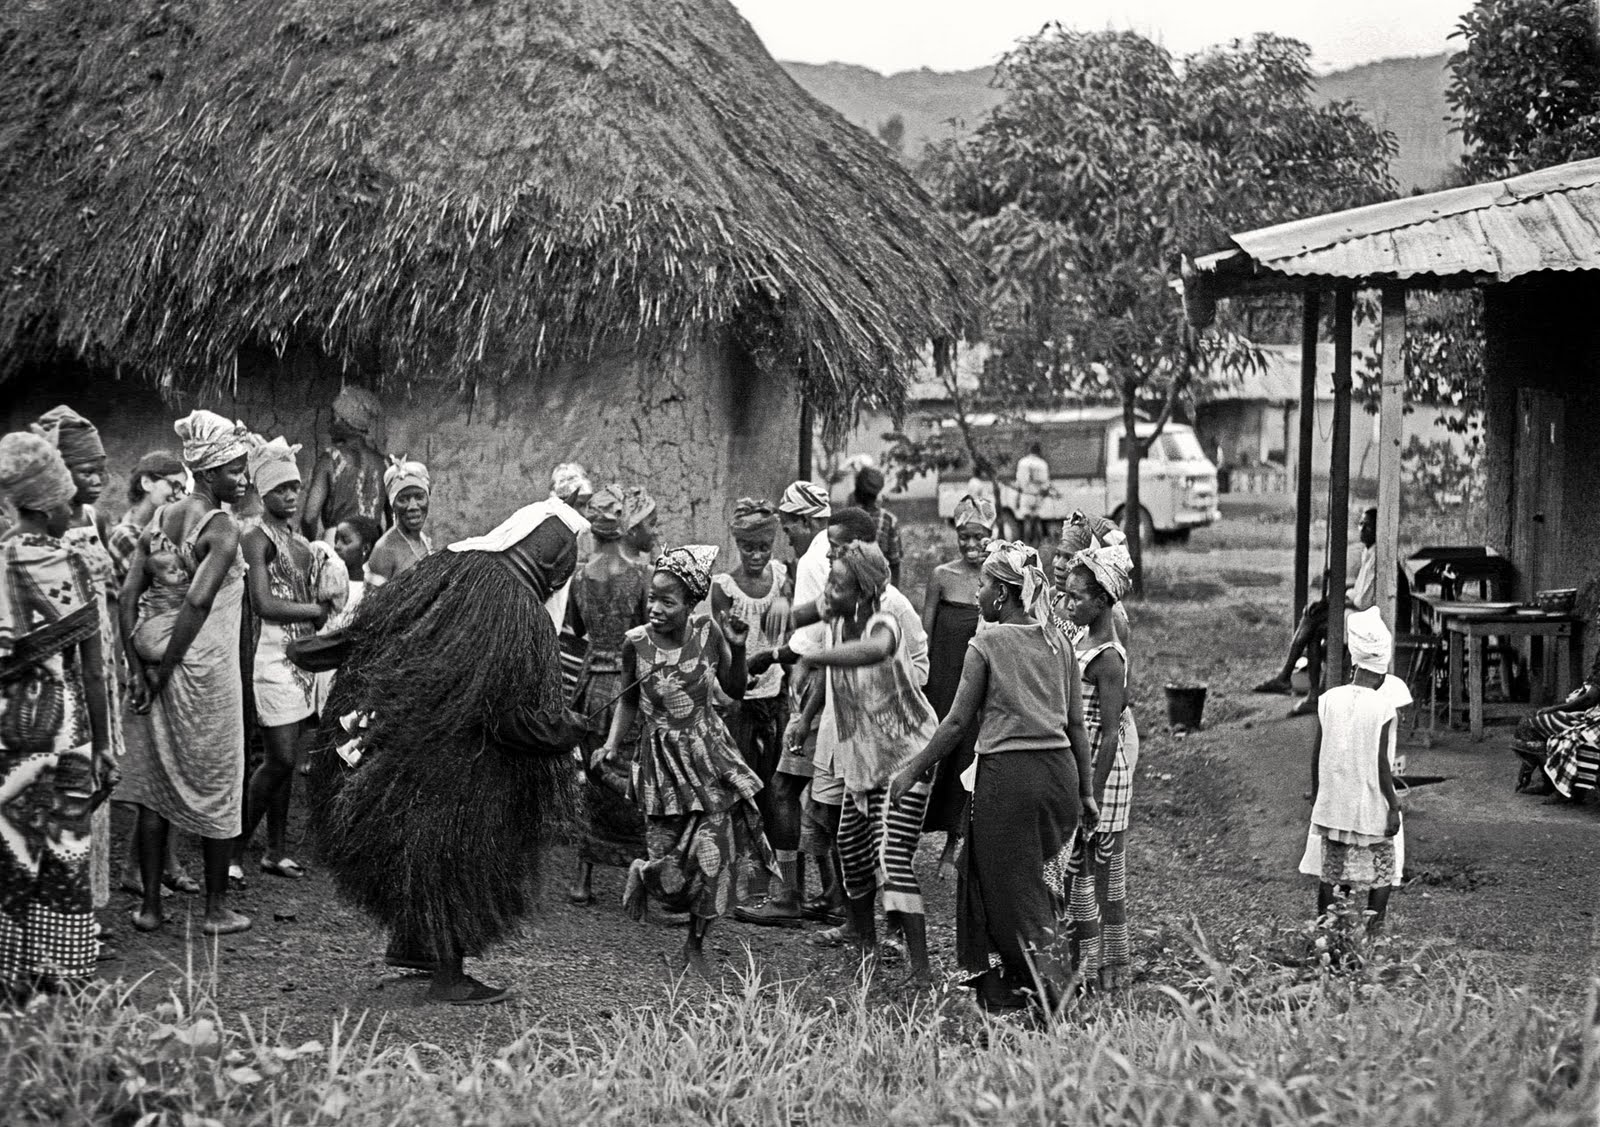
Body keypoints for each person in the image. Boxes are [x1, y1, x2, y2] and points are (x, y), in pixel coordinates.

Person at [306, 499, 588, 1005]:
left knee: (418, 850)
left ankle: (413, 946)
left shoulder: (451, 566)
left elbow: (378, 626)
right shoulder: (519, 610)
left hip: (405, 743)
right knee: (459, 857)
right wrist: (565, 731)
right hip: (463, 762)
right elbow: (511, 720)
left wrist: (323, 650)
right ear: (554, 561)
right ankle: (450, 977)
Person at [891, 540, 1093, 1014]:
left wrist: (911, 770)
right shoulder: (1059, 642)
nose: (976, 593)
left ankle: (1056, 996)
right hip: (1059, 779)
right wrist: (1086, 793)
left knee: (1011, 895)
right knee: (1041, 887)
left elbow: (956, 724)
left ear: (1002, 593)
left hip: (1009, 782)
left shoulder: (985, 645)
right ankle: (1021, 993)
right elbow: (1076, 725)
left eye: (982, 584)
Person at [600, 546, 769, 979]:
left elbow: (735, 689)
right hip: (661, 765)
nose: (655, 609)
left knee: (714, 854)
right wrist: (612, 743)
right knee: (670, 872)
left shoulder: (708, 633)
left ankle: (695, 945)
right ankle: (645, 874)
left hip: (708, 755)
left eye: (667, 601)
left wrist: (737, 648)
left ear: (691, 603)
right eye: (652, 598)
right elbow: (629, 701)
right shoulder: (636, 644)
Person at [118, 410, 253, 937]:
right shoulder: (220, 528)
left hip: (156, 660)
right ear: (210, 471)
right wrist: (165, 670)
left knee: (158, 785)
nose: (243, 479)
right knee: (221, 780)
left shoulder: (160, 519)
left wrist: (139, 670)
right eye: (235, 470)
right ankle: (216, 910)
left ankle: (151, 908)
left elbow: (128, 597)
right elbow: (198, 602)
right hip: (204, 672)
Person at [0, 430, 113, 999]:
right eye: (68, 500)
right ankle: (59, 978)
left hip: (6, 736)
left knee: (11, 852)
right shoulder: (73, 562)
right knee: (64, 853)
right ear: (45, 508)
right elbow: (92, 671)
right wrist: (106, 745)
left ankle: (8, 979)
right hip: (66, 732)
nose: (74, 510)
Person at [794, 543, 938, 986]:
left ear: (863, 593)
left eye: (838, 585)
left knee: (891, 858)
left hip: (907, 757)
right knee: (852, 851)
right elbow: (816, 651)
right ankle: (864, 945)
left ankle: (922, 972)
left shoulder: (884, 622)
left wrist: (812, 656)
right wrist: (804, 717)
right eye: (829, 581)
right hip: (864, 758)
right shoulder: (838, 621)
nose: (828, 591)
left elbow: (872, 651)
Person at [34, 406, 120, 915]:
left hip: (98, 659)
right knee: (62, 784)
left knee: (94, 781)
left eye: (101, 470)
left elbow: (110, 597)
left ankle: (88, 905)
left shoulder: (94, 519)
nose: (98, 480)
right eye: (86, 470)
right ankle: (57, 908)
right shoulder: (44, 528)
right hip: (62, 669)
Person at [234, 437, 329, 883]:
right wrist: (314, 611)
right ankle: (231, 850)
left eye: (294, 487)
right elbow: (263, 603)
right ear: (262, 492)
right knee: (280, 759)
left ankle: (275, 850)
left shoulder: (298, 540)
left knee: (285, 764)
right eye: (280, 489)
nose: (290, 496)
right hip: (270, 657)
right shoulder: (255, 538)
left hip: (299, 661)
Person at [105, 451, 196, 900]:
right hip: (139, 656)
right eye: (171, 485)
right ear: (146, 483)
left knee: (172, 760)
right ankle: (138, 866)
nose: (178, 495)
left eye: (183, 488)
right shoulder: (128, 537)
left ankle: (163, 861)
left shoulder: (164, 534)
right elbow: (144, 597)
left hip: (166, 652)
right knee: (150, 769)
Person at [565, 484, 651, 907]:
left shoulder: (580, 577)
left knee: (596, 776)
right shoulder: (641, 576)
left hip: (590, 690)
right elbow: (647, 631)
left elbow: (577, 628)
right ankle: (643, 875)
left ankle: (584, 878)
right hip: (628, 686)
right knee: (634, 777)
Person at [1061, 542, 1138, 992]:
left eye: (1077, 597)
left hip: (1102, 775)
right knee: (1080, 875)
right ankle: (1088, 969)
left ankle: (1107, 969)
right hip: (1084, 771)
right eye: (1067, 595)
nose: (1068, 603)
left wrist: (1092, 792)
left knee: (1100, 875)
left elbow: (1110, 733)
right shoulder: (1081, 638)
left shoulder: (1108, 656)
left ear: (1104, 600)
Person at [711, 498, 793, 914]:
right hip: (740, 703)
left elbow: (792, 632)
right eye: (748, 548)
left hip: (776, 698)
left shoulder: (782, 578)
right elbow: (724, 650)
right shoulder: (724, 588)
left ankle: (773, 879)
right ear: (737, 545)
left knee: (775, 790)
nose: (757, 555)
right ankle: (739, 878)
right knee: (740, 790)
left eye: (763, 547)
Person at [1302, 607, 1403, 941]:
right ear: (1383, 671)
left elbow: (1317, 754)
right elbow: (1381, 764)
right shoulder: (1383, 707)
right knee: (1382, 871)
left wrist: (1317, 794)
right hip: (1370, 803)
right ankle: (1373, 937)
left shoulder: (1328, 699)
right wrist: (1393, 805)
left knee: (1332, 873)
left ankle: (1326, 937)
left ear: (1354, 663)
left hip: (1334, 802)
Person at [921, 493, 995, 882]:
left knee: (965, 761)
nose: (971, 545)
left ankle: (952, 846)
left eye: (979, 537)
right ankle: (904, 839)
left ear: (992, 535)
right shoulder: (941, 577)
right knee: (926, 756)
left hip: (974, 689)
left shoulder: (995, 582)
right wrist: (918, 682)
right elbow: (924, 637)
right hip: (939, 682)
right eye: (964, 537)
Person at [1255, 507, 1378, 717]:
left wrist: (1338, 599)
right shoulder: (1368, 552)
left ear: (1378, 530)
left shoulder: (1376, 557)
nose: (1362, 529)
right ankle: (1308, 690)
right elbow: (1359, 591)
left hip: (1366, 620)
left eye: (1368, 526)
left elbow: (1363, 601)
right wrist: (1336, 597)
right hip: (1358, 613)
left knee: (1313, 620)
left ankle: (1293, 681)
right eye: (1361, 524)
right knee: (1313, 617)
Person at [301, 386, 387, 542]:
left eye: (334, 418)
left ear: (347, 423)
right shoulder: (383, 464)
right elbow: (393, 519)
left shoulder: (329, 460)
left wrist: (315, 547)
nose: (330, 424)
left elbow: (309, 517)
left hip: (337, 543)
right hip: (372, 546)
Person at [1512, 652, 1600, 802]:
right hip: (1591, 712)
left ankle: (1560, 787)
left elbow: (1590, 699)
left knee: (1530, 725)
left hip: (1594, 718)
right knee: (1530, 719)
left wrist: (1555, 708)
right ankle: (1551, 783)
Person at [365, 457, 432, 589]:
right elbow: (372, 600)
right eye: (403, 499)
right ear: (393, 505)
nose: (413, 506)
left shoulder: (423, 540)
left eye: (419, 497)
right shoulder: (385, 550)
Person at [851, 465, 902, 588]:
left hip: (852, 587)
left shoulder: (849, 518)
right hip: (880, 586)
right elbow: (895, 562)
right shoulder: (888, 520)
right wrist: (894, 591)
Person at [1015, 441, 1051, 547]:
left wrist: (1018, 497)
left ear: (1029, 450)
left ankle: (1027, 544)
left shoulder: (1022, 462)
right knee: (1037, 520)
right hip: (1038, 495)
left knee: (1027, 521)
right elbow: (1046, 483)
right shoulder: (1042, 464)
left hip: (1026, 495)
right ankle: (1040, 544)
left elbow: (1019, 482)